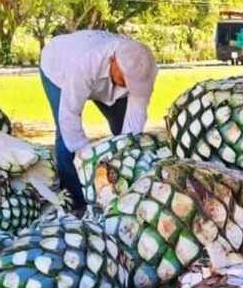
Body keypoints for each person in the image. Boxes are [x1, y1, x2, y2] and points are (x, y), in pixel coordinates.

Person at [40, 30, 158, 206]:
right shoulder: (84, 62)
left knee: (124, 132)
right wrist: (88, 160)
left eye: (134, 83)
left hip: (99, 76)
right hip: (58, 68)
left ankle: (123, 191)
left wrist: (127, 155)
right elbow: (70, 116)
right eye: (126, 79)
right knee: (65, 137)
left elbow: (135, 117)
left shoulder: (143, 68)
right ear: (112, 61)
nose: (130, 86)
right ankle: (74, 198)